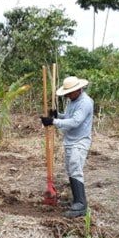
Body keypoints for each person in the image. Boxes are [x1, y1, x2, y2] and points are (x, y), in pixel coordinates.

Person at [40, 76, 94, 218]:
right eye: (67, 93)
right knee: (71, 169)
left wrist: (53, 121)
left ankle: (81, 204)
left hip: (80, 141)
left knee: (75, 168)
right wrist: (58, 115)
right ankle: (76, 200)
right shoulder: (73, 101)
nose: (68, 95)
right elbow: (69, 117)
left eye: (70, 93)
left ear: (78, 89)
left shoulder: (85, 102)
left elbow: (75, 122)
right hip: (70, 140)